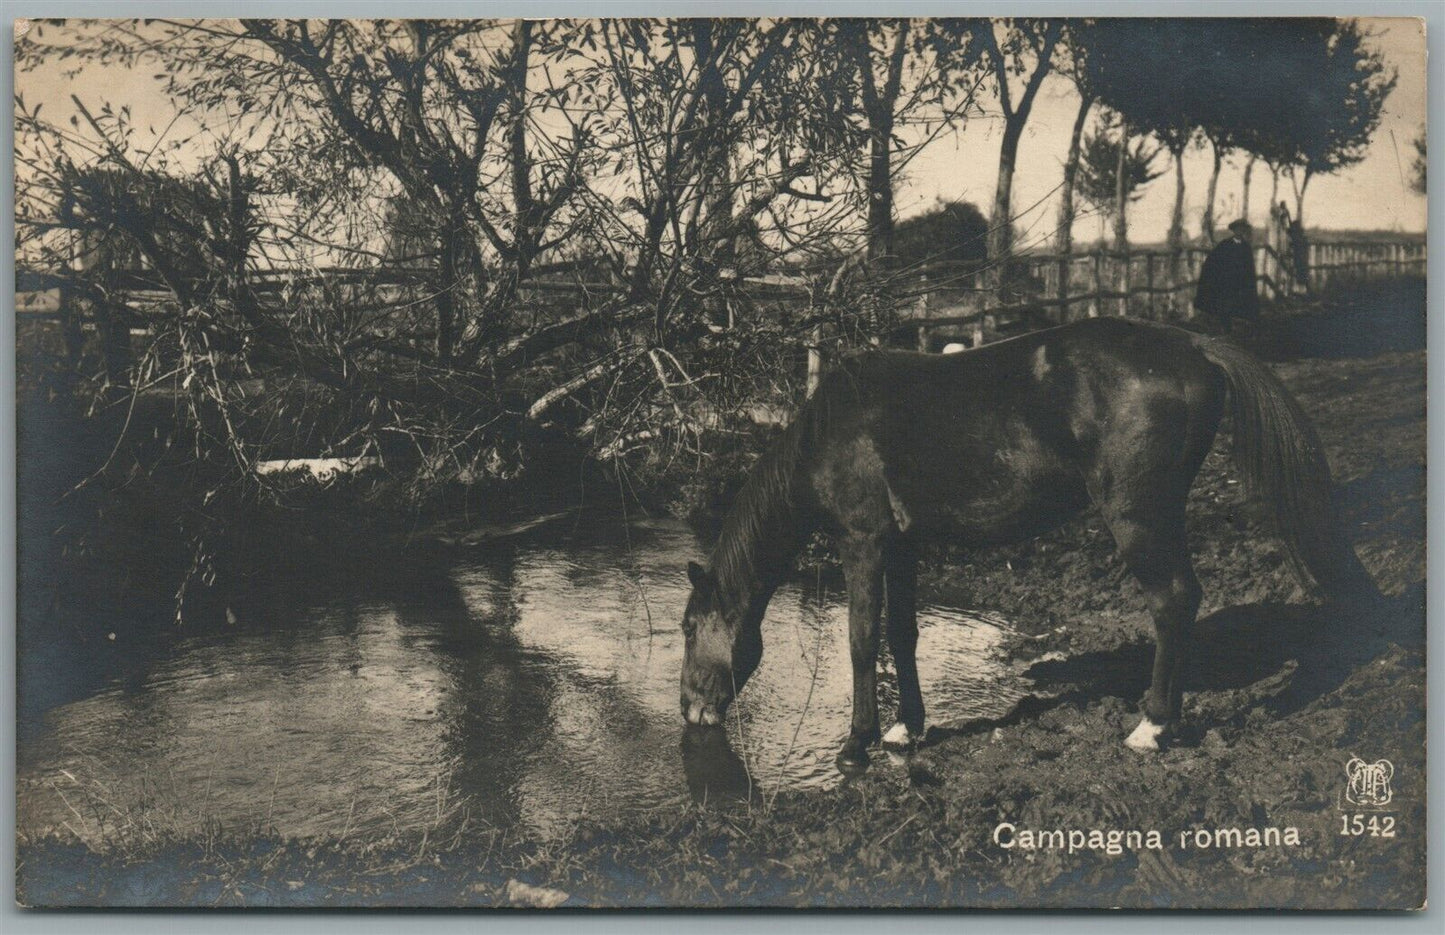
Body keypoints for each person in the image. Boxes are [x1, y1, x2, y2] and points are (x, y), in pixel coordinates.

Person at [1193, 218, 1259, 334]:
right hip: (1227, 281)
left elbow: (1249, 267)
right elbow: (1213, 259)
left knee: (1238, 305)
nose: (1239, 231)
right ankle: (1225, 328)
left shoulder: (1246, 247)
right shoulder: (1225, 245)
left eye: (1241, 229)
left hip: (1240, 282)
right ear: (1233, 230)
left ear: (1243, 231)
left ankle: (1237, 330)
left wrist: (1247, 280)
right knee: (1225, 304)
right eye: (1237, 229)